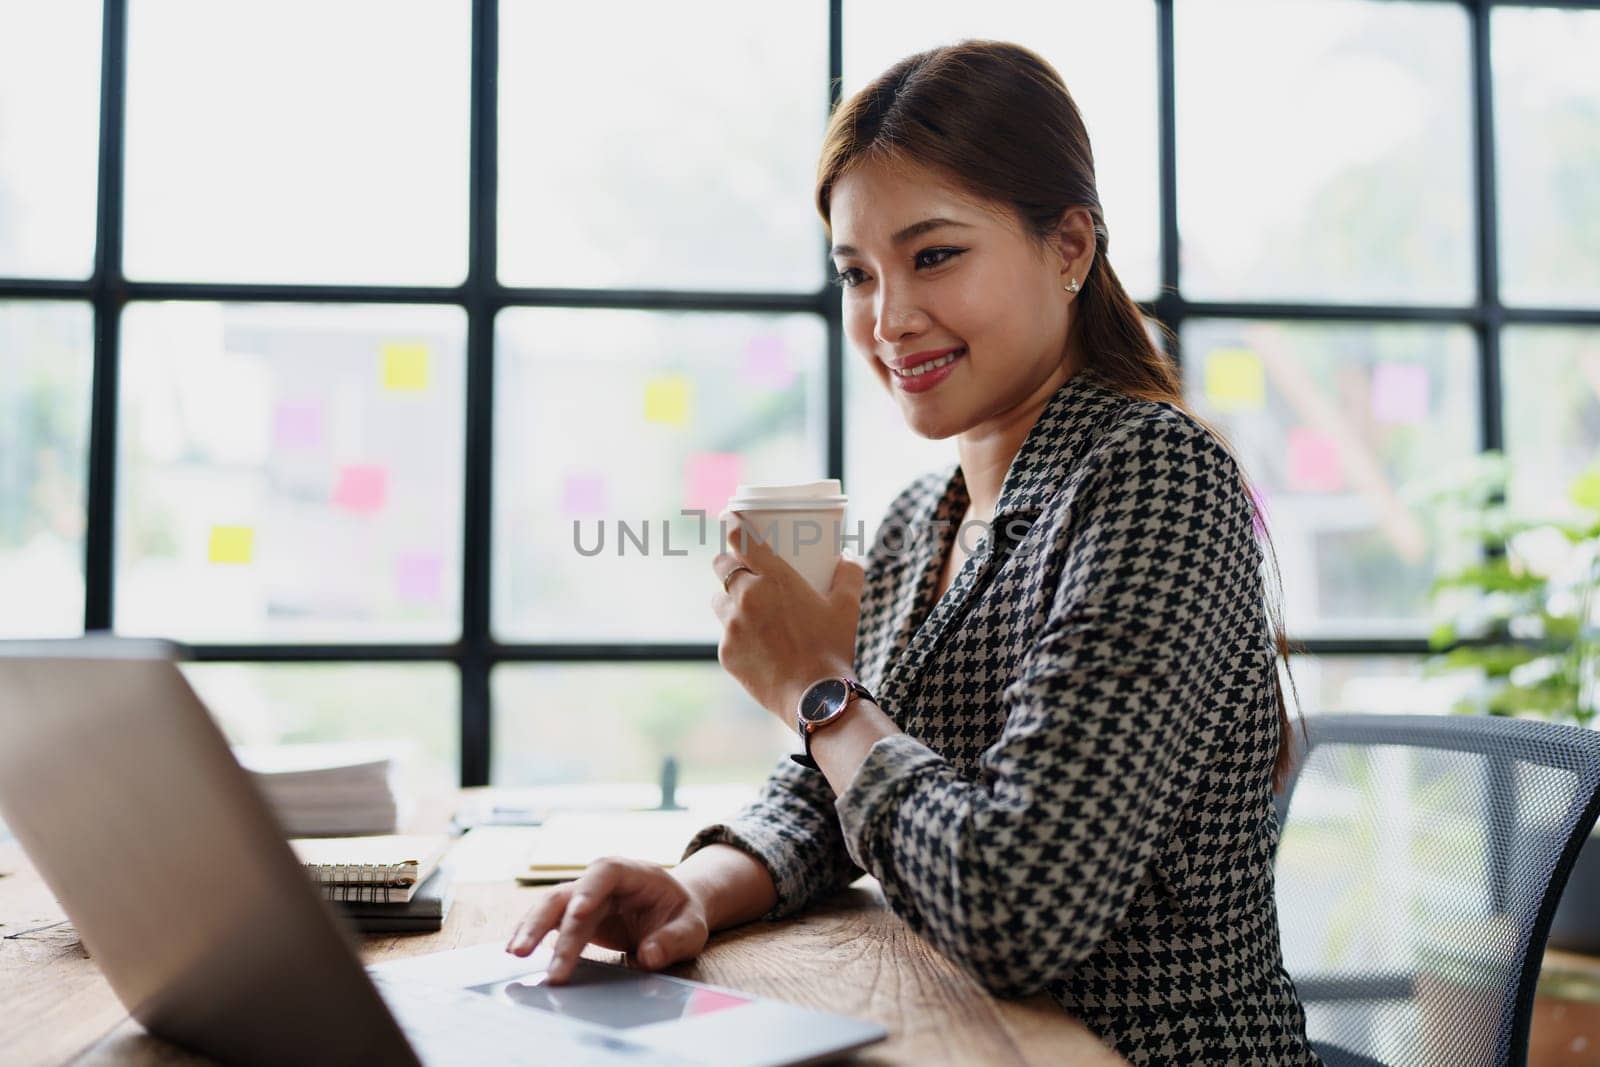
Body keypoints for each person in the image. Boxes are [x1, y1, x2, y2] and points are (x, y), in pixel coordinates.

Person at [507, 40, 1317, 1065]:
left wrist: (818, 686)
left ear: (1069, 246)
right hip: (967, 1036)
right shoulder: (917, 520)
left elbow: (1017, 905)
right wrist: (700, 886)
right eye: (857, 273)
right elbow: (838, 789)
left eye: (933, 255)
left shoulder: (1153, 478)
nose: (887, 319)